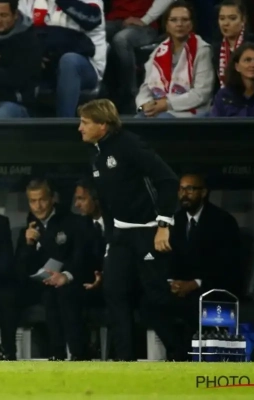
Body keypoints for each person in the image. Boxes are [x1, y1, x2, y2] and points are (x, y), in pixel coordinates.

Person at [77, 98, 186, 361]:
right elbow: (107, 202)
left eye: (85, 122)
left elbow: (168, 180)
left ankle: (182, 355)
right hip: (120, 236)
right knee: (114, 292)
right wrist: (109, 241)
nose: (80, 128)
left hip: (149, 232)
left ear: (103, 125)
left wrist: (163, 224)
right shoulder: (96, 153)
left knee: (155, 299)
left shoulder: (130, 144)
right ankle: (125, 362)